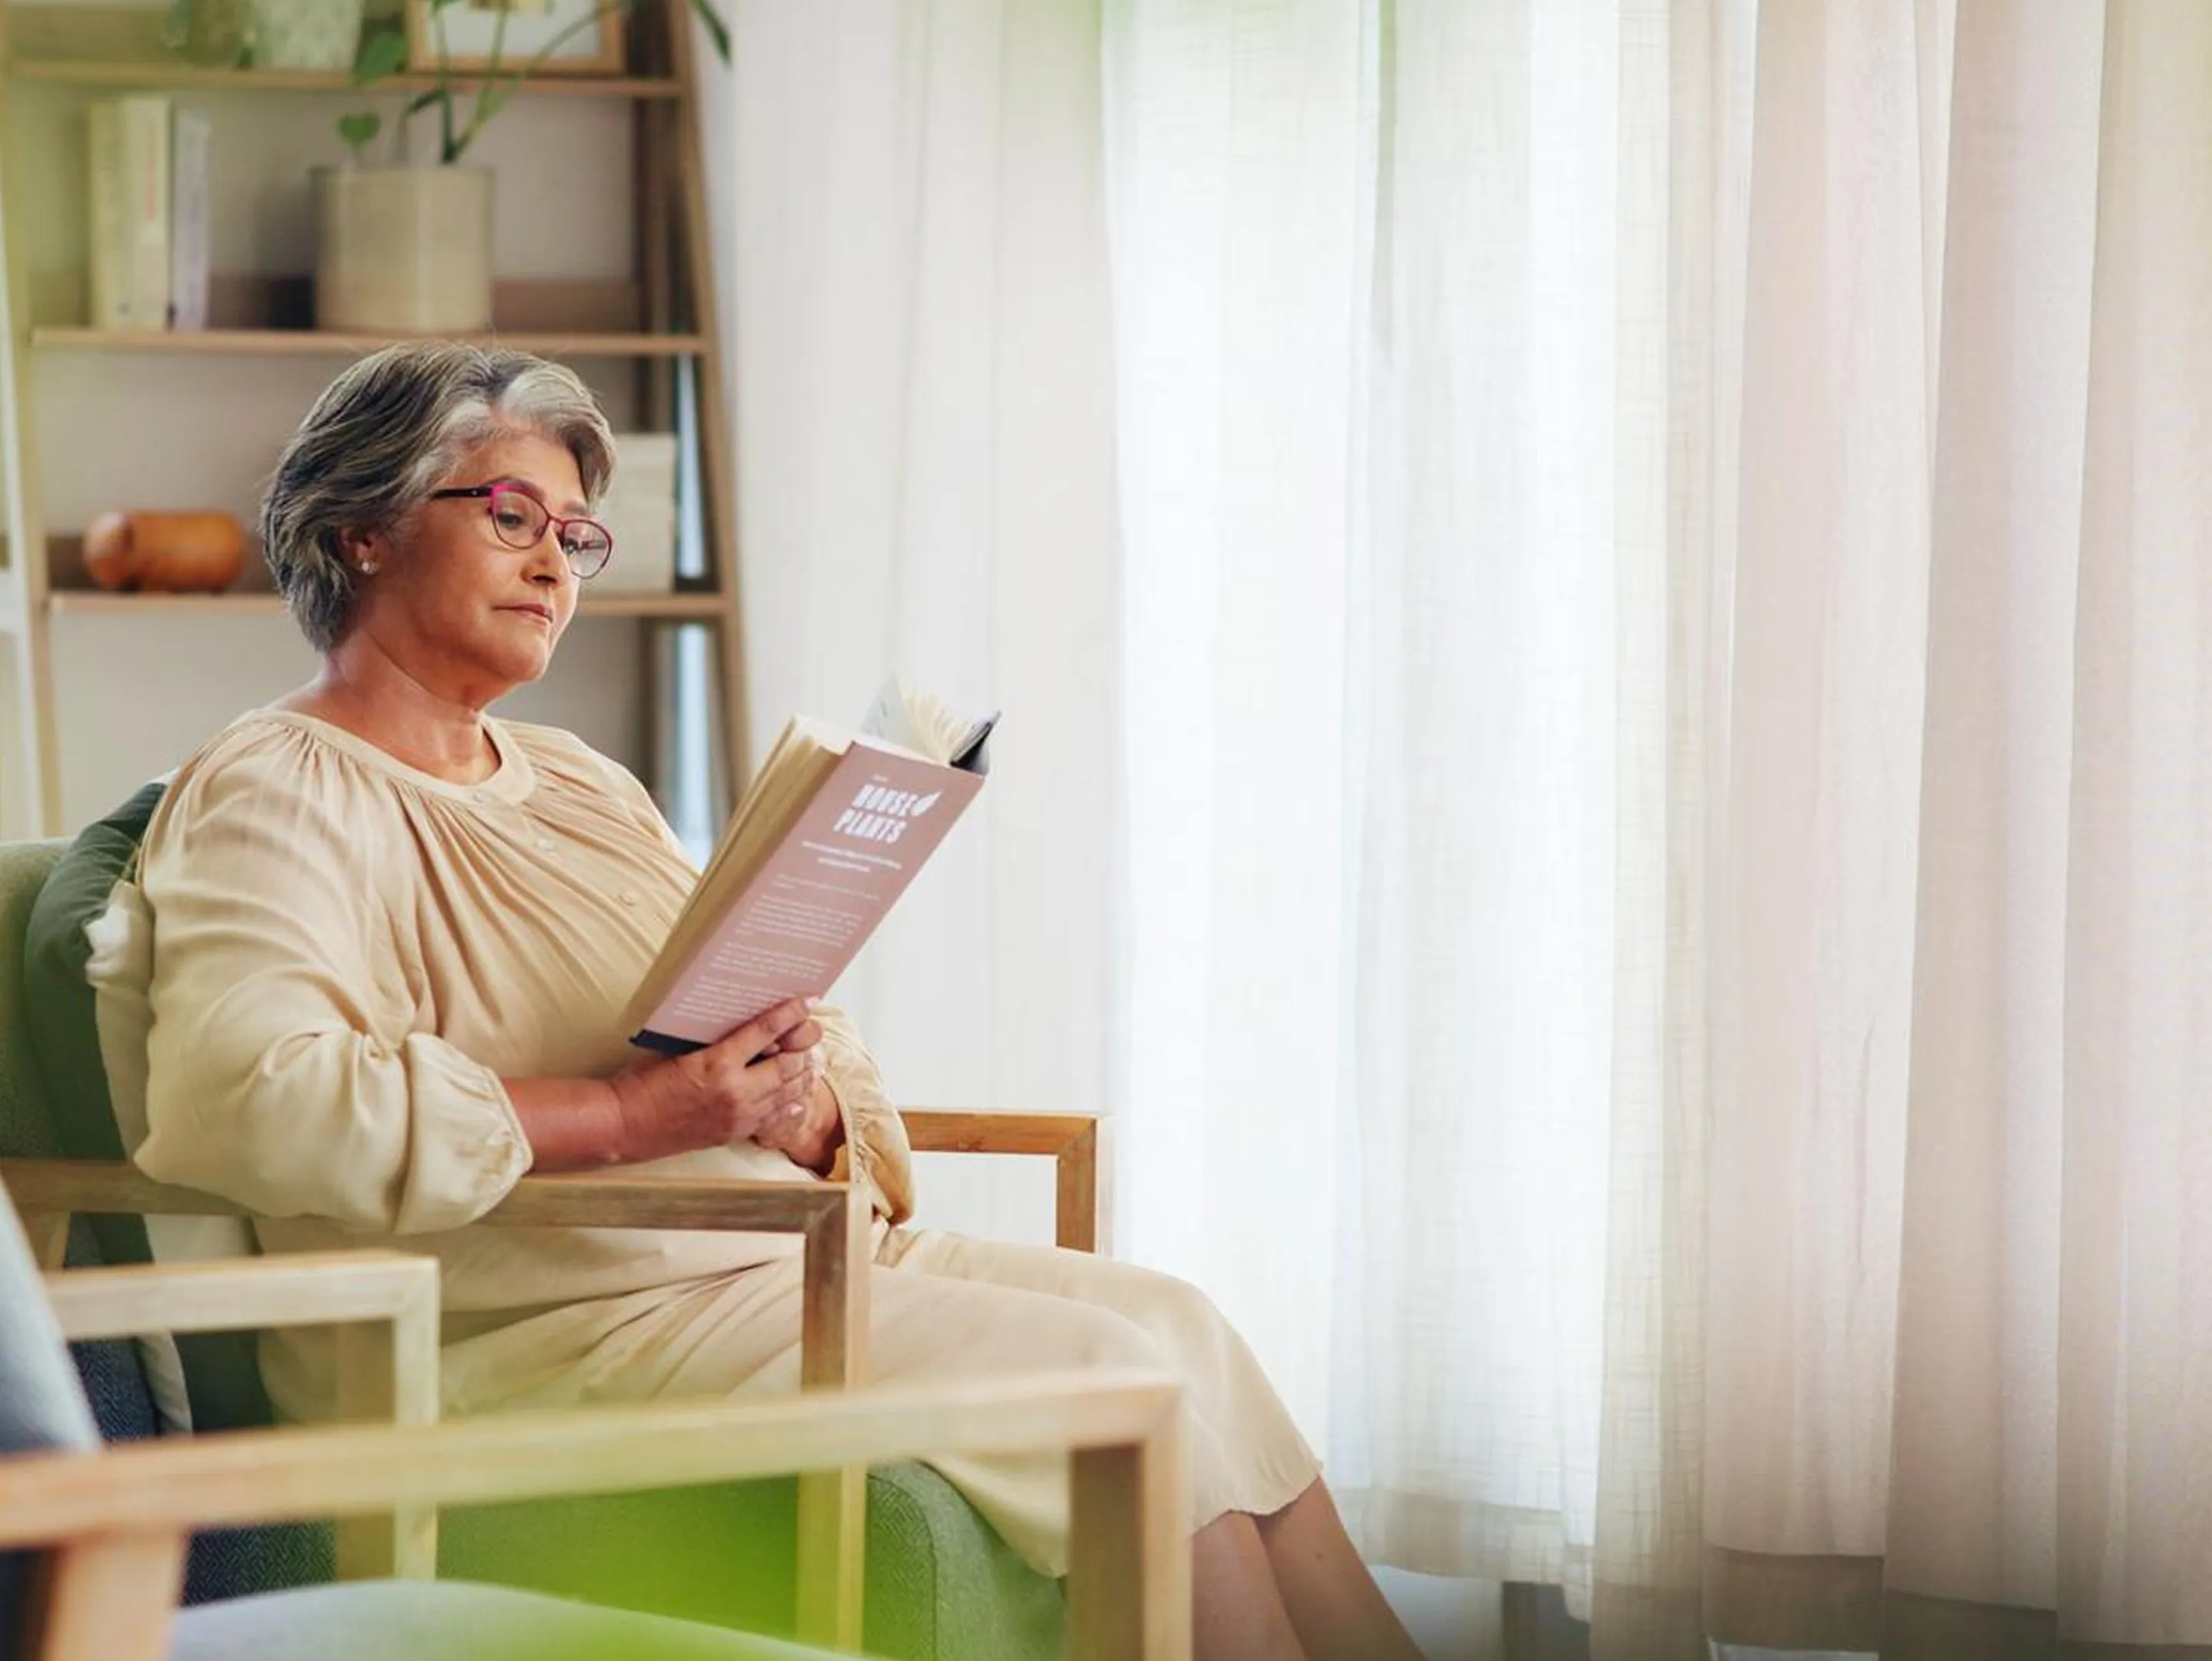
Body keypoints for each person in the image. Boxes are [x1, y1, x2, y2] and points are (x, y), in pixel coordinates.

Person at [121, 342, 1424, 1661]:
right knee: (1112, 1382)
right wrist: (632, 1115)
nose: (553, 564)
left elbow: (750, 1009)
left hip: (767, 1251)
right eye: (510, 516)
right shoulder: (277, 784)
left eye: (575, 533)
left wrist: (801, 1105)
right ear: (361, 534)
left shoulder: (578, 780)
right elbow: (252, 1096)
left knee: (1175, 1320)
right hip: (538, 1321)